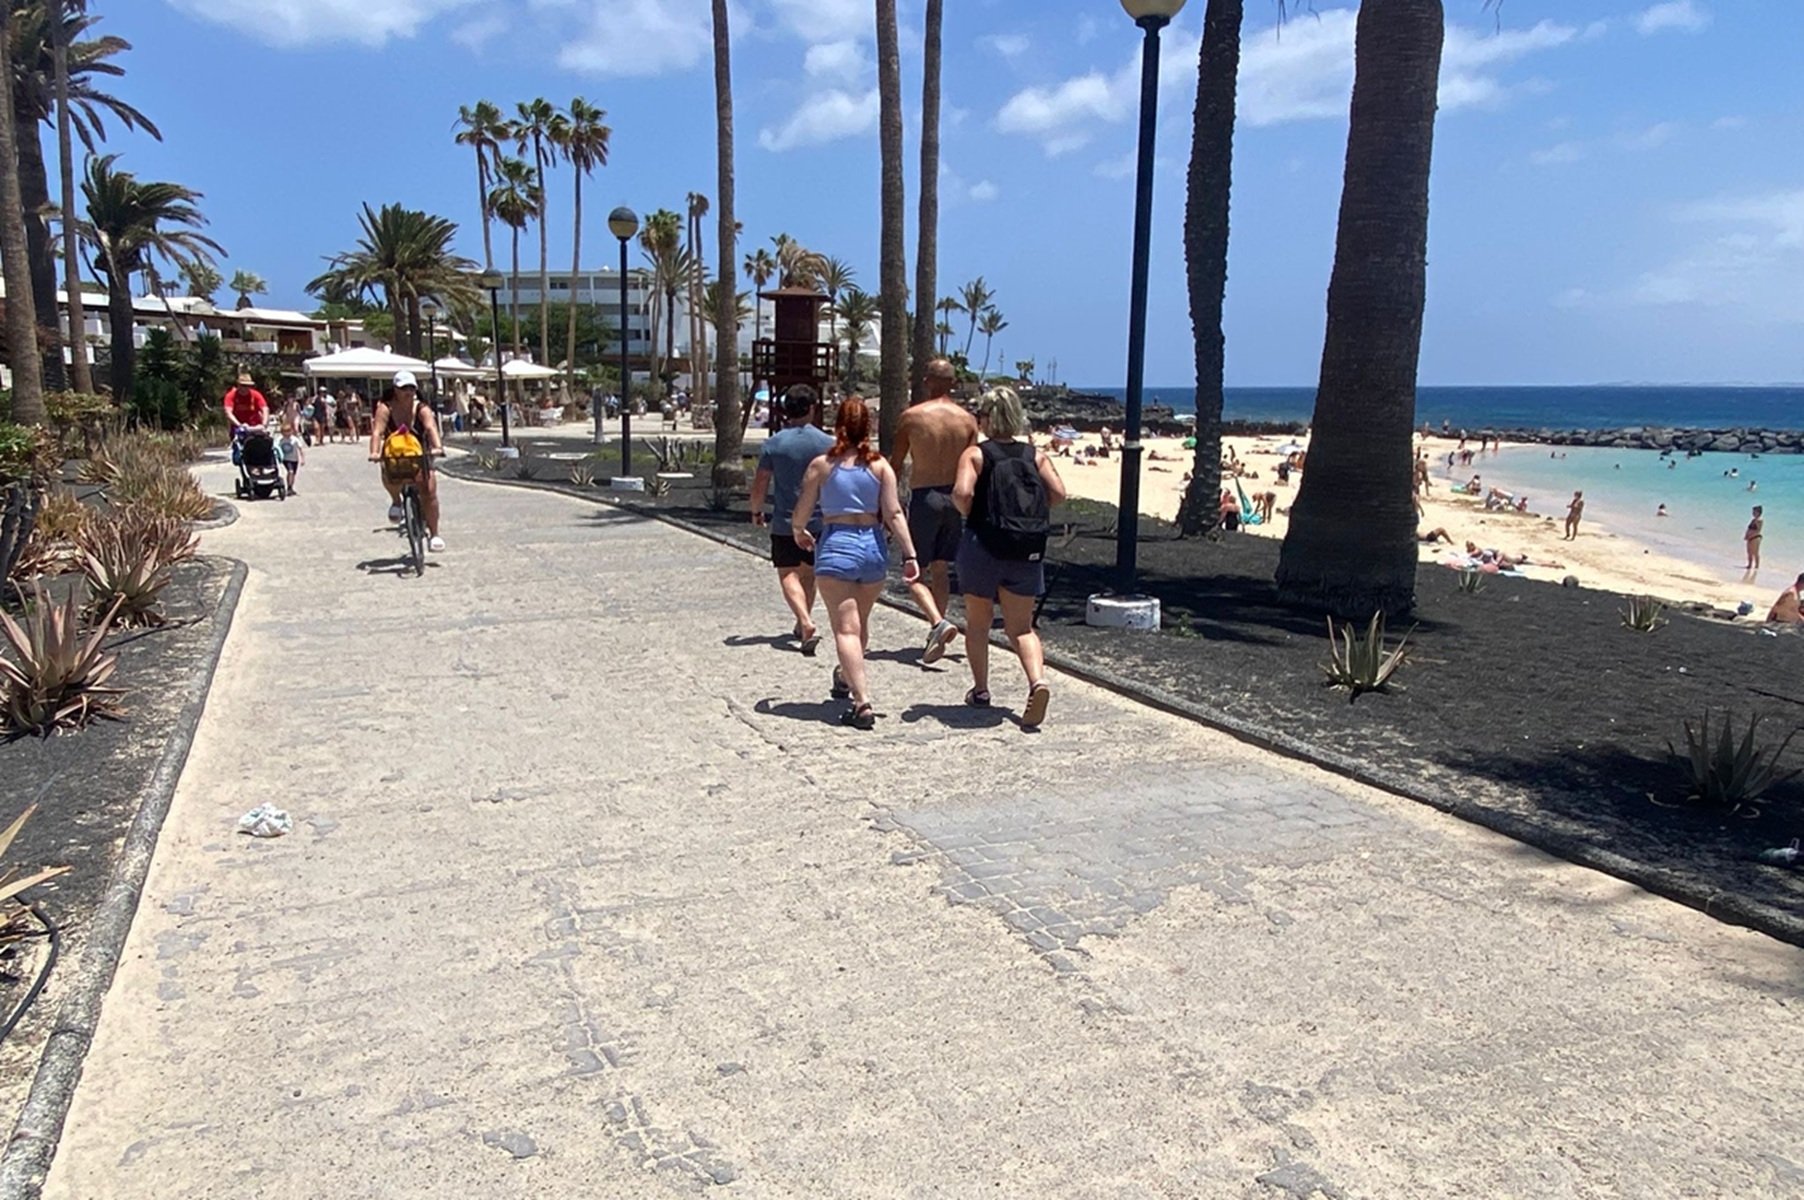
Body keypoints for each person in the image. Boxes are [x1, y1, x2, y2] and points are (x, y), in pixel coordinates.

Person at [790, 397, 919, 730]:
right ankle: (847, 677)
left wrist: (798, 531)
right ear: (868, 427)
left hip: (837, 544)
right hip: (872, 546)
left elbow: (803, 508)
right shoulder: (880, 467)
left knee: (846, 628)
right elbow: (893, 513)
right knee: (859, 623)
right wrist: (909, 554)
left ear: (838, 426)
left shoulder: (822, 465)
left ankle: (862, 703)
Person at [951, 387, 1065, 728]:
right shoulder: (1035, 456)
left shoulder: (976, 455)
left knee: (978, 622)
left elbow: (961, 493)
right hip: (1024, 548)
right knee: (1021, 628)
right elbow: (1059, 494)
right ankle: (1037, 682)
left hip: (982, 546)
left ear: (987, 418)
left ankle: (981, 690)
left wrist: (972, 513)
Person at [889, 357, 980, 665]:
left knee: (914, 570)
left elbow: (895, 464)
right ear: (953, 383)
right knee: (941, 568)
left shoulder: (912, 417)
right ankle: (937, 628)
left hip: (925, 495)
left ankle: (937, 624)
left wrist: (886, 503)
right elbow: (973, 464)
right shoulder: (967, 420)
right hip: (954, 497)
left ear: (927, 381)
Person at [750, 385, 835, 654]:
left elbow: (761, 482)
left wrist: (756, 510)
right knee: (809, 574)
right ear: (812, 408)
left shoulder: (774, 443)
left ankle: (805, 621)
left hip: (785, 520)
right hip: (820, 520)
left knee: (788, 572)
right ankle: (803, 620)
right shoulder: (828, 443)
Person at [369, 371, 446, 553]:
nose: (409, 392)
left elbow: (431, 427)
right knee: (388, 472)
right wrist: (374, 452)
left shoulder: (422, 408)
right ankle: (396, 501)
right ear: (395, 389)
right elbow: (377, 431)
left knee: (429, 492)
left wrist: (437, 447)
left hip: (419, 454)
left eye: (412, 388)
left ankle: (434, 534)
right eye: (404, 388)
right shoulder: (385, 408)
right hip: (396, 454)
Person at [276, 418, 305, 496]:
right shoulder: (280, 440)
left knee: (293, 474)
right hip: (286, 459)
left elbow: (300, 449)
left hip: (294, 459)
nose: (287, 434)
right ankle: (288, 488)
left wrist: (302, 459)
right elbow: (275, 447)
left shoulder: (295, 439)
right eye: (285, 432)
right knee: (290, 471)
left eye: (288, 431)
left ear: (291, 431)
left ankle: (291, 487)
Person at [1746, 505, 1764, 571]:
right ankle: (1749, 565)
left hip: (1755, 538)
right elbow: (1749, 529)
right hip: (1749, 538)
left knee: (1755, 552)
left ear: (1758, 512)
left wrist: (1751, 535)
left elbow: (1758, 530)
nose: (1753, 513)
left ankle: (1756, 566)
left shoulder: (1759, 520)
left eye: (1754, 512)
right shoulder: (1753, 520)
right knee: (1749, 552)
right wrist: (1746, 535)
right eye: (1753, 512)